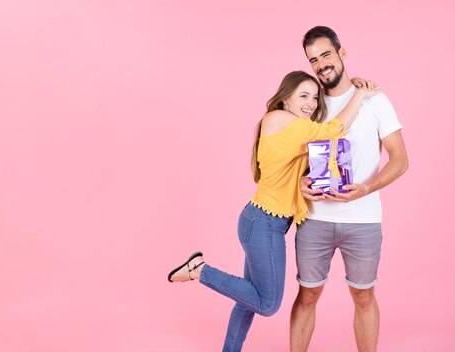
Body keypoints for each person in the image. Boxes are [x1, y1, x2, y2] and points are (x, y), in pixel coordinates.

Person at [167, 70, 379, 352]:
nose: (311, 103)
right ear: (285, 98)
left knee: (247, 301)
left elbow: (304, 164)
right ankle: (200, 270)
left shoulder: (291, 126)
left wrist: (305, 181)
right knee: (267, 303)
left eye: (315, 98)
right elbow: (332, 130)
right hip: (265, 223)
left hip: (260, 221)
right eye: (303, 96)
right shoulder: (281, 119)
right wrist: (360, 94)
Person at [289, 26, 409, 352]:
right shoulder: (308, 105)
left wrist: (367, 187)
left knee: (364, 295)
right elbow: (290, 156)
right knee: (308, 294)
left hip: (364, 220)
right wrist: (299, 182)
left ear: (342, 54)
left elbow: (400, 159)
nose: (321, 64)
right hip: (314, 220)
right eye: (313, 59)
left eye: (326, 54)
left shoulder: (375, 100)